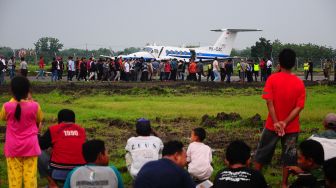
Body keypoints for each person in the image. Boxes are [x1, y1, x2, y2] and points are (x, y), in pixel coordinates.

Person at [254, 48, 306, 188]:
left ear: (279, 62)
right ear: (294, 63)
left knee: (262, 153)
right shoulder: (299, 83)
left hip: (272, 125)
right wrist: (285, 122)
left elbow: (269, 102)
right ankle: (284, 184)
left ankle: (254, 182)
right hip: (291, 127)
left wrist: (277, 122)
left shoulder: (272, 79)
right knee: (289, 156)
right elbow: (299, 107)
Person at [0, 76, 43, 187]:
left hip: (13, 147)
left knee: (14, 178)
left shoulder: (6, 106)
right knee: (30, 178)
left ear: (12, 91)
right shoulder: (35, 106)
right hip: (31, 146)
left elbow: (3, 117)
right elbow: (39, 120)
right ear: (28, 90)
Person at [38, 109, 86, 186]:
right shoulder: (81, 130)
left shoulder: (53, 129)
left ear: (59, 120)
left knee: (38, 151)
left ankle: (53, 184)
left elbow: (40, 145)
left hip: (59, 175)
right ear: (74, 120)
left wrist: (37, 132)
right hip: (79, 174)